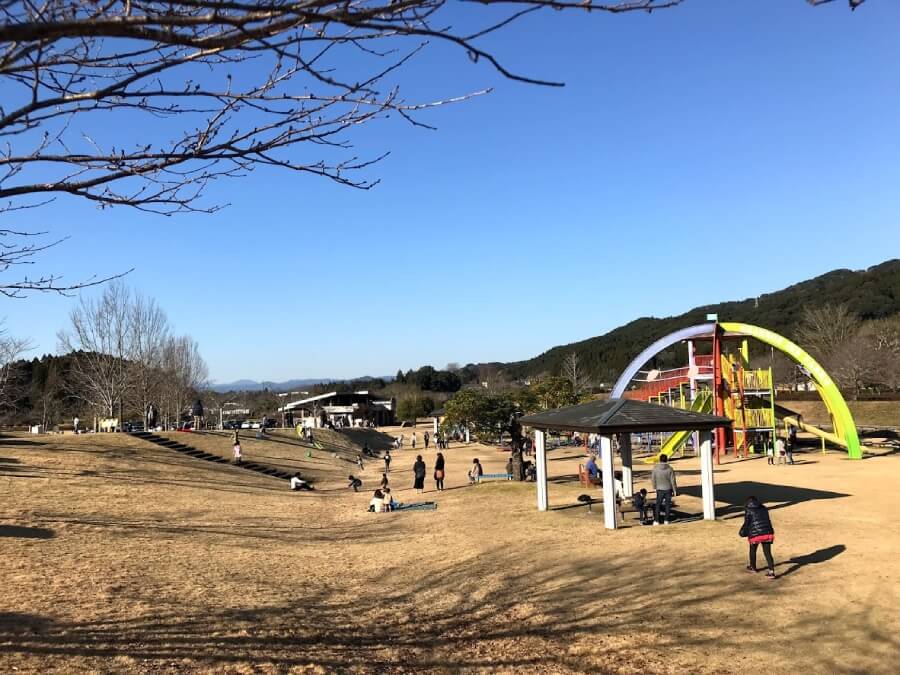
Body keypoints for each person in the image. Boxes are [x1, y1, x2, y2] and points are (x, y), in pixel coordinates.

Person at [740, 496, 777, 580]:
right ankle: (771, 571)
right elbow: (768, 520)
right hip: (767, 532)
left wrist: (743, 532)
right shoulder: (764, 508)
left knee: (753, 550)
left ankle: (753, 567)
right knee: (767, 552)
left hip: (754, 534)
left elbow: (747, 523)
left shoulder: (748, 510)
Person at [651, 454, 677, 525]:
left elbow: (653, 478)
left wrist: (654, 487)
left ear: (660, 459)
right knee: (667, 505)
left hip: (659, 489)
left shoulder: (655, 468)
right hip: (668, 489)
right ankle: (666, 520)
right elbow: (673, 480)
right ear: (666, 460)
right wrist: (674, 490)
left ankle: (656, 520)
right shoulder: (670, 469)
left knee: (658, 505)